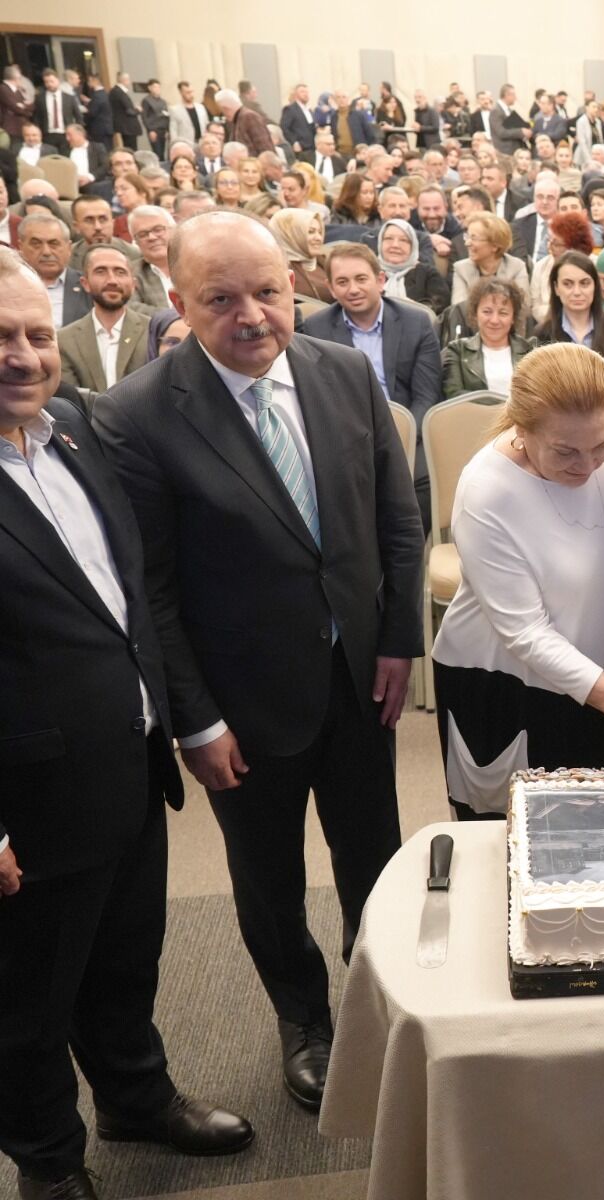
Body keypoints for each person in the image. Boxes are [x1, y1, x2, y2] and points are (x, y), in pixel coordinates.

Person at [92, 211, 425, 1115]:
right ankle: (305, 1024)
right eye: (221, 298)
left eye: (268, 292)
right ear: (178, 300)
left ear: (295, 284)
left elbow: (396, 519)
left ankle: (383, 1002)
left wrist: (398, 638)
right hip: (240, 707)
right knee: (269, 878)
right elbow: (149, 591)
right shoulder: (136, 415)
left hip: (361, 679)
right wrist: (195, 719)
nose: (253, 316)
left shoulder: (345, 372)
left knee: (375, 855)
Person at [0, 248, 254, 1200]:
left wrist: (175, 724)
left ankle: (134, 1099)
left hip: (122, 759)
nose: (23, 357)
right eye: (1, 339)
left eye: (35, 335)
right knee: (28, 995)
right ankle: (48, 1160)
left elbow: (125, 594)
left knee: (124, 954)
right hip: (26, 797)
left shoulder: (68, 428)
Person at [432, 343, 604, 815]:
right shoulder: (487, 492)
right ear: (521, 428)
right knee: (520, 840)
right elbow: (525, 632)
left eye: (599, 445)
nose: (588, 464)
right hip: (510, 684)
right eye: (566, 451)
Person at [302, 241, 444, 522]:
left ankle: (405, 557)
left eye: (361, 279)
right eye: (342, 282)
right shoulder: (315, 328)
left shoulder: (416, 322)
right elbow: (319, 398)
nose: (352, 289)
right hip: (345, 436)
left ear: (380, 280)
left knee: (422, 482)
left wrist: (397, 435)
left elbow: (426, 396)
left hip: (406, 432)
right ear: (331, 289)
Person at [56, 244, 152, 396]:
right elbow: (72, 400)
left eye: (120, 272)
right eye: (101, 272)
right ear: (85, 283)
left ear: (133, 285)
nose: (112, 280)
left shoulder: (153, 331)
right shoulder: (64, 340)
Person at [536, 251, 604, 389]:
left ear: (595, 286)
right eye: (568, 284)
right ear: (556, 288)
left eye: (584, 283)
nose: (577, 292)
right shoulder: (543, 334)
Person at [442, 277, 537, 397]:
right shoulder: (457, 350)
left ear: (513, 318)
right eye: (487, 312)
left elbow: (536, 396)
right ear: (475, 314)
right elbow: (453, 394)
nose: (494, 320)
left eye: (503, 313)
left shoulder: (530, 351)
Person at [19, 213, 91, 328]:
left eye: (54, 244)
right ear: (21, 247)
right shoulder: (6, 285)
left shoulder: (88, 287)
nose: (46, 252)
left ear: (68, 248)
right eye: (36, 244)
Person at [452, 212, 530, 308]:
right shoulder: (461, 269)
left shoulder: (516, 267)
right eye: (467, 236)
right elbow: (459, 309)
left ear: (495, 246)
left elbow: (523, 308)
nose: (467, 243)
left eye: (474, 238)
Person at [375, 218, 449, 314]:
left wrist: (411, 309)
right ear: (380, 243)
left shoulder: (427, 273)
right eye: (389, 238)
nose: (395, 245)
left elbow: (440, 307)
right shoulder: (370, 272)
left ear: (413, 246)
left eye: (403, 240)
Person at [269, 208, 333, 303]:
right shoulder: (278, 270)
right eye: (311, 232)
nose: (318, 238)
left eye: (320, 232)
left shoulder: (327, 261)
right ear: (289, 235)